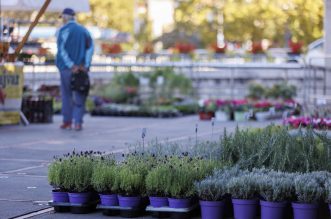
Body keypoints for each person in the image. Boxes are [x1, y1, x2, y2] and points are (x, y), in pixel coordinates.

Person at [56, 8, 94, 131]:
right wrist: (86, 65)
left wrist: (71, 65)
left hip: (66, 69)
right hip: (82, 69)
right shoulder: (84, 30)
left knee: (66, 95)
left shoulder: (63, 31)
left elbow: (61, 50)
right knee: (80, 94)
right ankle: (78, 122)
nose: (62, 20)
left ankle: (67, 121)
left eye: (62, 17)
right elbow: (90, 48)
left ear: (65, 17)